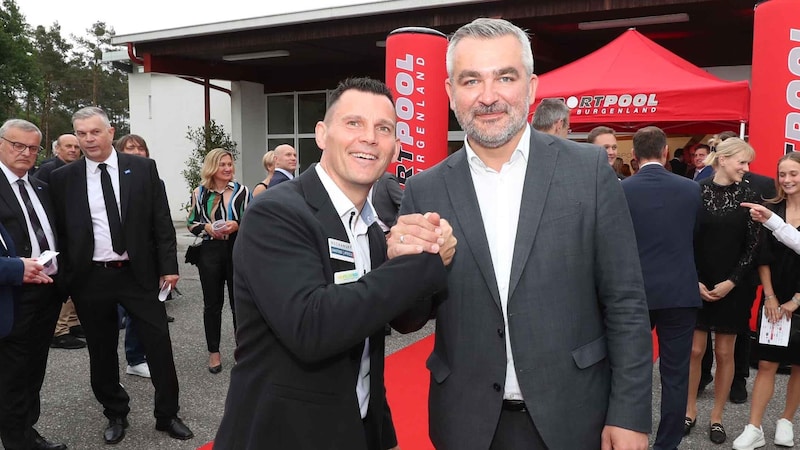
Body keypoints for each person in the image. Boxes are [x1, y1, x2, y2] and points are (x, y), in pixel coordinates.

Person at [389, 18, 652, 450]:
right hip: (466, 422)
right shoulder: (425, 188)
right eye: (471, 80)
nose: (488, 96)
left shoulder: (587, 171)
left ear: (530, 88)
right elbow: (410, 318)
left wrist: (629, 413)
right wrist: (401, 265)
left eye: (504, 77)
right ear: (450, 92)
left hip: (574, 416)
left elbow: (625, 300)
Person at [213, 77, 453, 450]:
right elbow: (313, 327)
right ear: (322, 134)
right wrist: (422, 266)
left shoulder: (370, 227)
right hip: (283, 434)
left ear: (395, 146)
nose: (369, 137)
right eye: (354, 123)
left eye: (383, 128)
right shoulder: (276, 212)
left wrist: (420, 247)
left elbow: (401, 319)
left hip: (352, 428)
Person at [49, 107, 193, 444]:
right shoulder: (63, 179)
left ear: (111, 132)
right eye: (81, 134)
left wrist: (169, 267)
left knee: (159, 347)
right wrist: (68, 277)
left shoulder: (142, 169)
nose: (88, 140)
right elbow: (60, 232)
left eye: (94, 132)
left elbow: (161, 221)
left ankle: (167, 414)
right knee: (101, 352)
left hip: (138, 276)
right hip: (91, 279)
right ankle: (115, 413)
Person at [621, 126, 702, 450]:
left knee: (631, 369)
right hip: (679, 290)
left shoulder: (622, 189)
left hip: (634, 293)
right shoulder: (690, 189)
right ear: (667, 151)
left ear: (634, 155)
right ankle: (666, 444)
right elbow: (695, 236)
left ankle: (632, 436)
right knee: (675, 373)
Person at [684, 137, 761, 444]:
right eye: (742, 162)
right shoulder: (696, 193)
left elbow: (753, 246)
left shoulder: (749, 195)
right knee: (694, 351)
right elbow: (684, 239)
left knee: (726, 351)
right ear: (724, 159)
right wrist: (694, 280)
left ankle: (717, 417)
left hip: (734, 286)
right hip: (699, 282)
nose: (746, 168)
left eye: (747, 163)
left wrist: (732, 281)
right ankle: (689, 410)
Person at [0, 119, 67, 450]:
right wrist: (15, 269)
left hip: (47, 292)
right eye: (17, 145)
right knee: (12, 374)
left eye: (32, 148)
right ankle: (16, 440)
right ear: (1, 143)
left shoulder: (40, 185)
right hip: (12, 296)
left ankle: (28, 430)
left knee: (34, 368)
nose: (25, 153)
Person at [732, 151, 800, 450]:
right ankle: (754, 427)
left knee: (799, 365)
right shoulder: (770, 209)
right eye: (782, 174)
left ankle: (786, 421)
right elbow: (762, 256)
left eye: (794, 174)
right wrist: (770, 296)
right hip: (774, 297)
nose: (787, 180)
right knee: (767, 362)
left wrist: (798, 299)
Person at [186, 148, 251, 374]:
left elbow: (252, 219)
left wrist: (238, 225)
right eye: (222, 164)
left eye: (230, 164)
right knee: (212, 304)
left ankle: (242, 350)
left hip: (236, 249)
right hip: (210, 250)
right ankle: (214, 352)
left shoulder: (242, 191)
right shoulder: (200, 193)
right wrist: (206, 227)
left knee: (239, 303)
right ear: (212, 167)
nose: (227, 168)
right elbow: (191, 222)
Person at [33, 135, 87, 351]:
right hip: (57, 236)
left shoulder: (80, 170)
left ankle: (72, 323)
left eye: (76, 147)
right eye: (69, 146)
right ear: (57, 149)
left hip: (76, 235)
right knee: (64, 281)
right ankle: (60, 331)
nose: (73, 150)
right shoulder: (48, 171)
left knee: (77, 281)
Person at [113, 134, 156, 378]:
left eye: (141, 148)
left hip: (143, 258)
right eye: (131, 148)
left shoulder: (152, 179)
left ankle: (136, 357)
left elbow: (159, 223)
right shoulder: (109, 178)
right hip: (114, 259)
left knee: (140, 314)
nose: (137, 152)